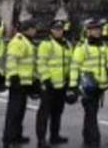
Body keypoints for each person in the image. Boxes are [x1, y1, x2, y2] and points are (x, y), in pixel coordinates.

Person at [71, 19, 108, 148]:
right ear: (88, 31)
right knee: (91, 113)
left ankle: (87, 136)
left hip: (100, 86)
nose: (97, 32)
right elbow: (74, 66)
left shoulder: (103, 46)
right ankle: (94, 140)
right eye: (94, 30)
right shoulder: (82, 47)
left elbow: (106, 65)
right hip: (87, 86)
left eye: (99, 30)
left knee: (91, 113)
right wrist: (73, 85)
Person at [36, 20, 72, 148]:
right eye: (56, 29)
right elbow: (41, 63)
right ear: (51, 30)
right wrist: (46, 79)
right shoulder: (46, 44)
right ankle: (41, 140)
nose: (59, 31)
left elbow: (69, 64)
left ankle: (54, 136)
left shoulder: (67, 44)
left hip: (62, 85)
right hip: (49, 85)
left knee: (57, 112)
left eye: (60, 29)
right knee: (44, 113)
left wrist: (70, 81)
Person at [3, 20, 38, 147]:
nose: (35, 31)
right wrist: (14, 77)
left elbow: (29, 64)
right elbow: (11, 59)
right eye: (34, 28)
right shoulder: (19, 40)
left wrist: (34, 80)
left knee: (20, 111)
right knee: (13, 112)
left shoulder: (27, 42)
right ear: (28, 29)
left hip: (24, 83)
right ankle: (8, 139)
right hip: (17, 83)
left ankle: (16, 135)